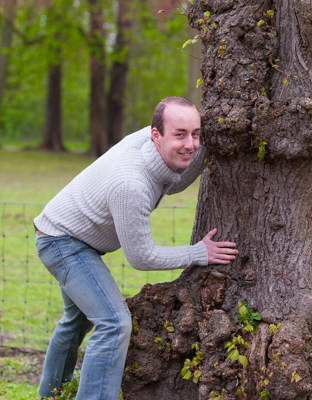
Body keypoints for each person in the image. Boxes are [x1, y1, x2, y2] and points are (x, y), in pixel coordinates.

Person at [34, 96, 238, 400]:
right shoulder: (131, 185)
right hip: (63, 242)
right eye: (180, 134)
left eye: (196, 134)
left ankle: (51, 394)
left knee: (76, 321)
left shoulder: (153, 148)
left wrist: (203, 148)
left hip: (67, 232)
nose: (190, 143)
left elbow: (175, 180)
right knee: (114, 324)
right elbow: (141, 257)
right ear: (156, 134)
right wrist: (198, 253)